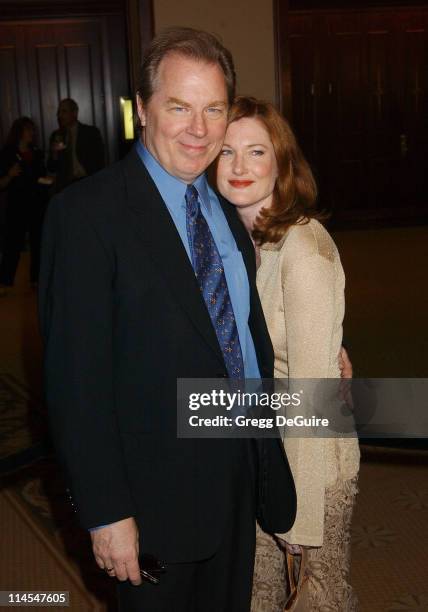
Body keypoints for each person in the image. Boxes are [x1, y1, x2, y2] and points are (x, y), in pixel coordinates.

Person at [39, 29, 296, 612]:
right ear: (141, 108)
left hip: (237, 479)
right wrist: (107, 512)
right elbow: (76, 385)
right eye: (179, 106)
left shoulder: (226, 210)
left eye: (214, 109)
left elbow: (241, 334)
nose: (199, 129)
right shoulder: (86, 216)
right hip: (153, 504)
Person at [216, 96, 360, 611]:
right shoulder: (232, 239)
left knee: (313, 599)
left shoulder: (304, 250)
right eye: (226, 152)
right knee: (256, 593)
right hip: (258, 444)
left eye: (256, 152)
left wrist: (298, 515)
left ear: (281, 163)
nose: (238, 167)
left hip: (308, 462)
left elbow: (315, 394)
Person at [0, 117, 49, 294]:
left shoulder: (37, 152)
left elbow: (42, 176)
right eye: (29, 130)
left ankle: (36, 280)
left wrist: (48, 181)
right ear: (19, 132)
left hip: (37, 204)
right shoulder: (7, 154)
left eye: (33, 130)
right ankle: (5, 281)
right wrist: (11, 174)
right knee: (12, 244)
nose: (32, 133)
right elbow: (2, 184)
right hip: (17, 206)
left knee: (38, 243)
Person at [47, 98, 105, 192]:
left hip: (87, 183)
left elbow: (99, 162)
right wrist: (54, 155)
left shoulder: (90, 133)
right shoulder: (56, 136)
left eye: (64, 111)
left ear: (75, 113)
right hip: (65, 187)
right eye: (59, 112)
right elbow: (51, 168)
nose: (60, 115)